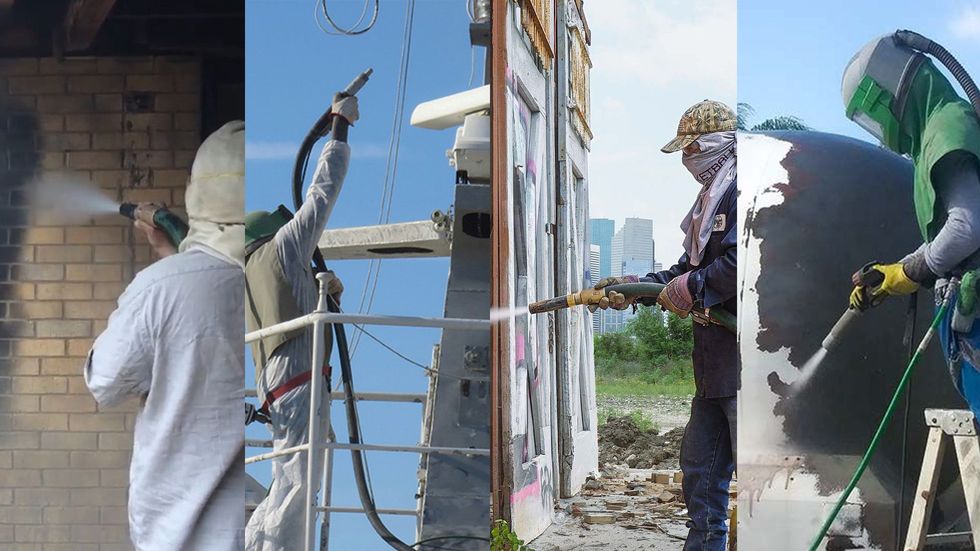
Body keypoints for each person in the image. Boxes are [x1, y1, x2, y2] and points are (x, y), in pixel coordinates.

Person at [84, 121, 246, 550]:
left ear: (199, 190)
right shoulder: (281, 273)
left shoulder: (161, 287)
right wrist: (169, 253)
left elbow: (105, 379)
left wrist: (163, 272)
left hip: (181, 533)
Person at [593, 100, 737, 551]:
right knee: (700, 474)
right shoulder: (709, 200)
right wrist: (637, 286)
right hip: (713, 369)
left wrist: (691, 287)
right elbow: (685, 270)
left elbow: (739, 265)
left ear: (713, 144)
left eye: (690, 149)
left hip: (747, 365)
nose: (686, 161)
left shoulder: (742, 192)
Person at [841, 34, 980, 420]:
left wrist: (910, 272)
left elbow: (968, 227)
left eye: (870, 117)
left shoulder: (948, 127)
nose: (878, 131)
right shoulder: (937, 133)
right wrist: (890, 275)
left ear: (887, 95)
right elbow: (945, 236)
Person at [244, 95, 358, 550]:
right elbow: (321, 194)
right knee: (297, 483)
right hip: (299, 379)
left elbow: (292, 303)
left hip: (275, 385)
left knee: (290, 476)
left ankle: (256, 541)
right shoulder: (285, 247)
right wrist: (341, 126)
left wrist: (324, 293)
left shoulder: (246, 274)